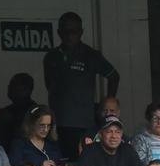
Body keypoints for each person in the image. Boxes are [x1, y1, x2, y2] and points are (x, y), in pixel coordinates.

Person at [43, 12, 118, 156]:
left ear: (81, 32)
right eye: (66, 31)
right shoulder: (51, 57)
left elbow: (114, 76)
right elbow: (50, 86)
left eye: (74, 31)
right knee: (63, 162)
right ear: (59, 33)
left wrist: (107, 105)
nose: (70, 35)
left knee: (85, 162)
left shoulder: (91, 55)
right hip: (58, 121)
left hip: (84, 122)